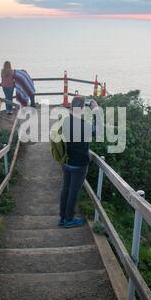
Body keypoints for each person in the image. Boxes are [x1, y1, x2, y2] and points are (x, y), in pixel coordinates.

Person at [59, 95, 99, 228]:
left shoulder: (64, 121)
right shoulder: (85, 126)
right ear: (82, 109)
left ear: (70, 107)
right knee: (73, 192)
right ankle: (69, 220)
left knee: (65, 189)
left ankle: (62, 218)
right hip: (79, 164)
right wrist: (96, 110)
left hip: (66, 161)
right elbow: (98, 131)